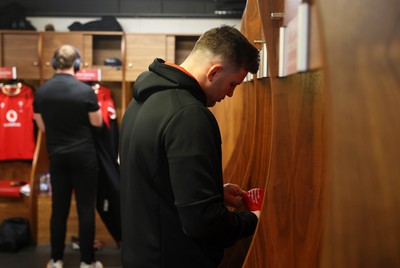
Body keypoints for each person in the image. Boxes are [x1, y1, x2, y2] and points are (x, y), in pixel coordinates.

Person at [119, 25, 261, 267]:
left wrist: (213, 192)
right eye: (233, 84)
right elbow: (203, 222)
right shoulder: (189, 115)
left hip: (141, 253)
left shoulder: (141, 101)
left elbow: (154, 182)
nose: (230, 95)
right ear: (214, 72)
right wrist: (253, 219)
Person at [33, 45, 104, 268]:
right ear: (77, 64)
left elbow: (42, 127)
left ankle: (55, 260)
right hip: (84, 157)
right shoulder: (85, 92)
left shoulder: (41, 92)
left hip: (58, 157)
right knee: (85, 208)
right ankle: (87, 262)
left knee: (59, 209)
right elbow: (98, 123)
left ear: (55, 64)